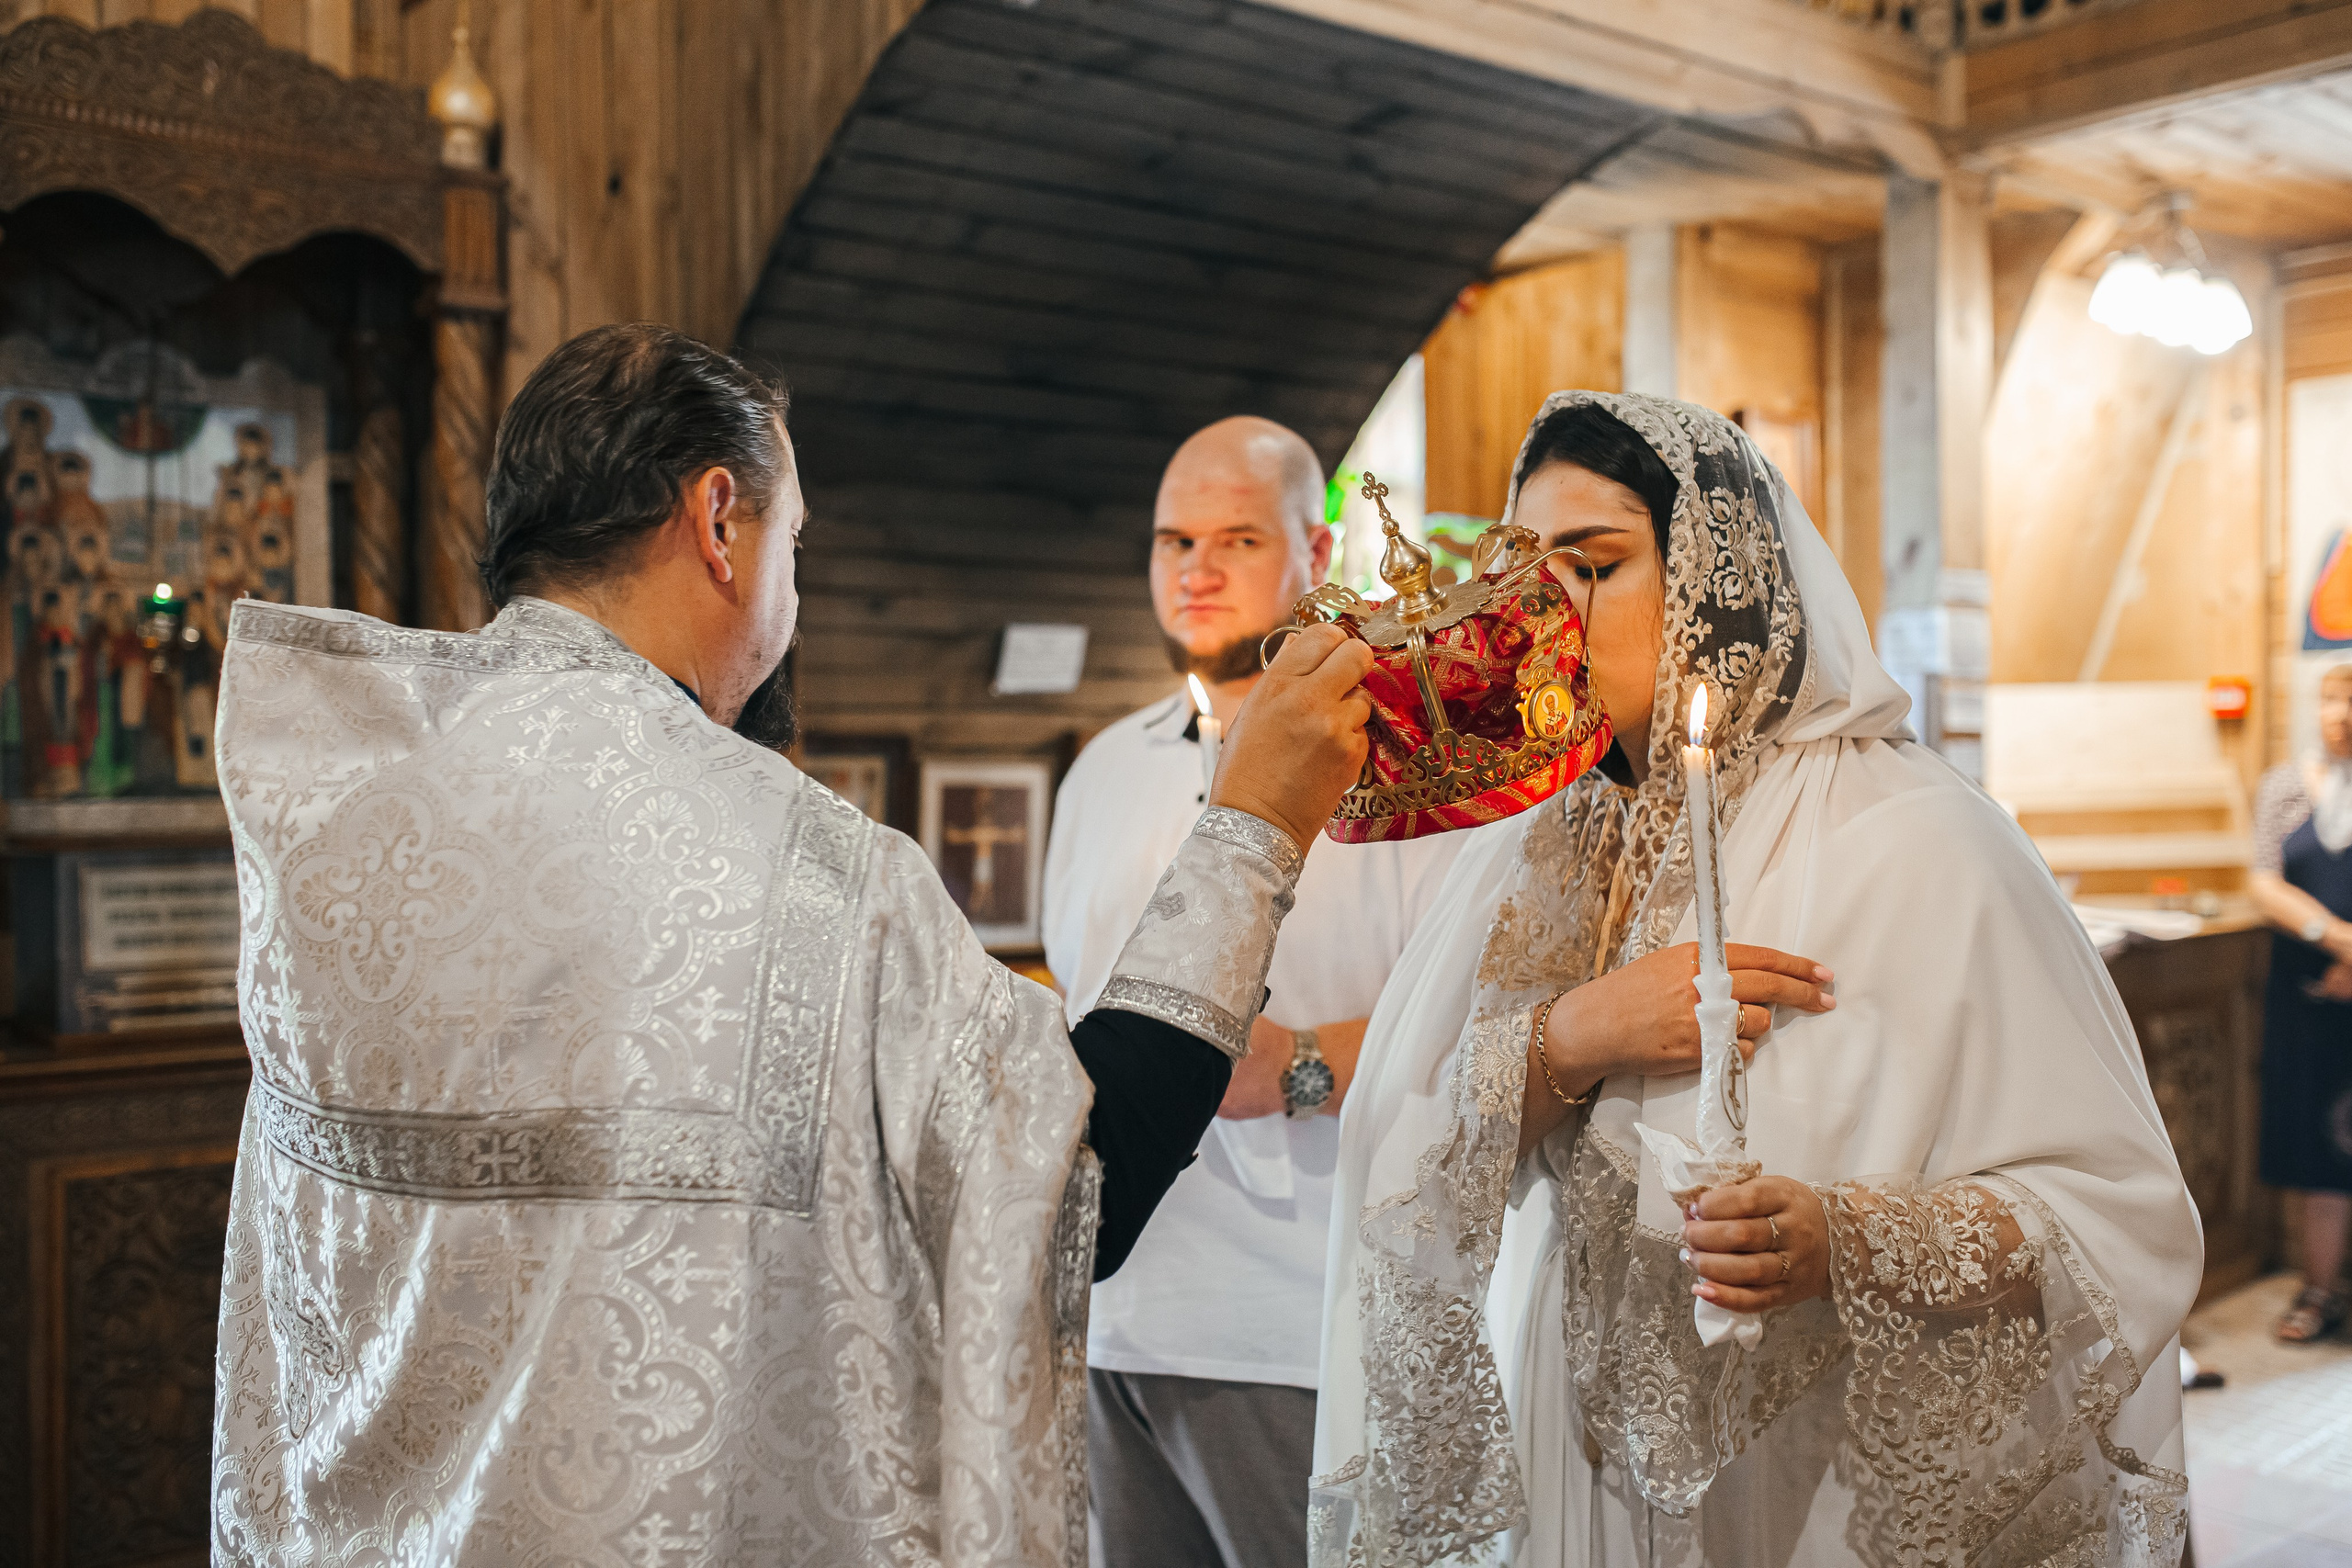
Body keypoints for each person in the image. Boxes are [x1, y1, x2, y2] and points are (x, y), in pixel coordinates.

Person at [207, 323, 1379, 1566]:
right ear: (720, 518)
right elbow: (1070, 1195)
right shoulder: (804, 870)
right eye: (796, 540)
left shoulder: (344, 819)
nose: (795, 587)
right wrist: (1253, 828)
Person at [1311, 393, 2201, 1567]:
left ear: (1716, 578)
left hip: (1815, 1477)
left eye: (1595, 565)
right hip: (1581, 1444)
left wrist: (1845, 1241)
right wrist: (1571, 1040)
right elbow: (1405, 1144)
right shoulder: (1533, 847)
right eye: (1523, 574)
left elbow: (2120, 1214)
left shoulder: (1924, 838)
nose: (1544, 614)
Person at [1043, 417, 1460, 1568]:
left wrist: (1305, 1063)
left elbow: (1489, 1022)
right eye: (1174, 538)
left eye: (1236, 537)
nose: (1197, 567)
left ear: (1317, 553)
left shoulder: (1407, 772)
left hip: (1296, 1319)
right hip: (1115, 1311)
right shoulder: (1102, 767)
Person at [2249, 660, 2352, 1343]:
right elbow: (2264, 882)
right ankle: (2318, 1290)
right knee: (2319, 1150)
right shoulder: (2286, 785)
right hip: (2310, 998)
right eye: (2331, 697)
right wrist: (2340, 939)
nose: (2340, 711)